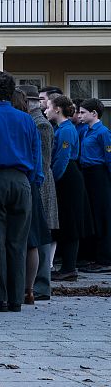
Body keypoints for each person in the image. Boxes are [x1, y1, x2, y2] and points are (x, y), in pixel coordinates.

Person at [0, 71, 43, 312]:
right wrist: (33, 182)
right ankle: (17, 296)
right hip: (22, 180)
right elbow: (36, 156)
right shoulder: (27, 119)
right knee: (19, 241)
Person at [46, 95, 92, 281]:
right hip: (67, 175)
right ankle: (67, 266)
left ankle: (69, 267)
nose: (46, 110)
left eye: (49, 106)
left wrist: (53, 179)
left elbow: (62, 158)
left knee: (71, 221)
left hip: (68, 177)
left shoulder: (65, 130)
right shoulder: (62, 128)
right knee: (66, 221)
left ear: (57, 109)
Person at [19, 84, 57, 304]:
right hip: (36, 181)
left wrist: (37, 184)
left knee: (40, 235)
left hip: (40, 184)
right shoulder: (34, 122)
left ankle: (41, 284)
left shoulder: (40, 125)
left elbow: (42, 161)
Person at [77, 98, 111, 272]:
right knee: (91, 216)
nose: (80, 115)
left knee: (102, 216)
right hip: (87, 174)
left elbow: (109, 158)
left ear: (94, 114)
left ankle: (105, 259)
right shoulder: (85, 131)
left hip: (99, 175)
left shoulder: (103, 132)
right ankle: (92, 256)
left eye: (83, 112)